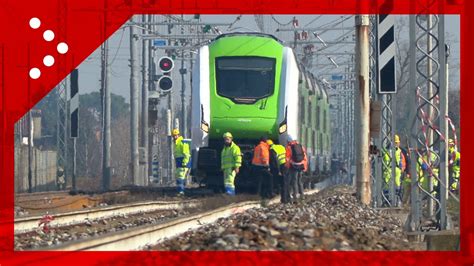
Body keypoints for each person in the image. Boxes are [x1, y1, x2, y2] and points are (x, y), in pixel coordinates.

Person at [285, 135, 308, 202]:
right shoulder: (301, 146)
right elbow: (305, 157)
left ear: (288, 141)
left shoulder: (289, 148)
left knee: (294, 181)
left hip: (294, 166)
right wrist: (305, 167)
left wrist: (287, 167)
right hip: (301, 165)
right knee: (300, 181)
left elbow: (287, 159)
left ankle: (295, 195)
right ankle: (302, 195)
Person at [267, 139, 288, 203]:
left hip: (281, 165)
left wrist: (278, 170)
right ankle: (287, 197)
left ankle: (284, 199)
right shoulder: (280, 146)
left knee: (282, 182)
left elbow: (275, 161)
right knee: (286, 181)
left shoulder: (272, 149)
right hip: (287, 164)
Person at [172, 129, 191, 196]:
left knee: (180, 177)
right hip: (179, 163)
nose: (174, 137)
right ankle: (180, 191)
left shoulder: (182, 142)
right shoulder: (176, 143)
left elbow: (186, 154)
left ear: (178, 135)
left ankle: (181, 192)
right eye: (173, 136)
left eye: (175, 135)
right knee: (178, 177)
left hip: (183, 164)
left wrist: (185, 163)